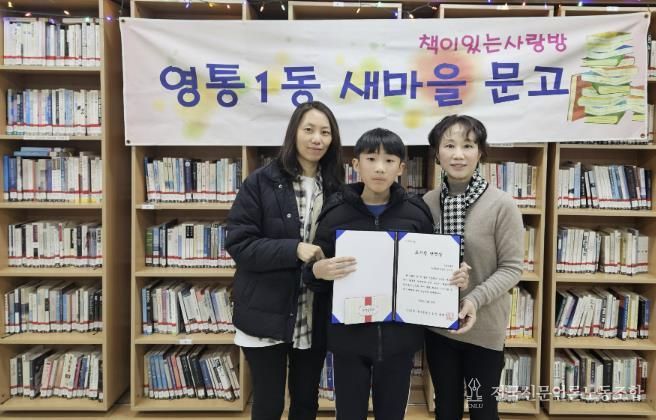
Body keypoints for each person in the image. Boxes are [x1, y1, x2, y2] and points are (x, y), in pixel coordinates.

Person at [304, 128, 470, 420]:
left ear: (401, 168)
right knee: (349, 414)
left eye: (389, 160)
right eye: (371, 159)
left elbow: (432, 268)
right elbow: (314, 274)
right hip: (348, 340)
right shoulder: (336, 211)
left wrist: (454, 278)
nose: (380, 168)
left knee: (392, 413)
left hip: (399, 342)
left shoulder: (416, 213)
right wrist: (317, 270)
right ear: (356, 164)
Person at [225, 101, 344, 420]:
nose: (317, 139)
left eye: (325, 132)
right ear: (293, 133)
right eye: (309, 130)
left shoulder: (336, 188)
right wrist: (294, 249)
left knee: (306, 402)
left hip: (313, 312)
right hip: (266, 310)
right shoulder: (261, 182)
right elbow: (239, 244)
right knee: (268, 403)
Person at [423, 115, 524, 420]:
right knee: (446, 408)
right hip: (440, 327)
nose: (458, 154)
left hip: (484, 330)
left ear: (480, 152)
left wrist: (474, 299)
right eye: (449, 145)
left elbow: (512, 268)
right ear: (437, 153)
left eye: (467, 146)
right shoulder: (427, 203)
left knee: (483, 410)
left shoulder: (501, 204)